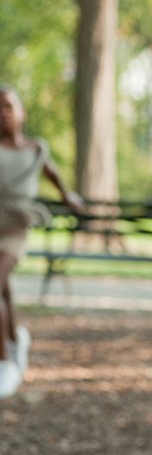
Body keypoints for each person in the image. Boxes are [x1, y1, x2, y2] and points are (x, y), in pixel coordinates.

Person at [0, 85, 82, 398]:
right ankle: (14, 343)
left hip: (16, 227)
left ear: (22, 113)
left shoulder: (35, 150)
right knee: (3, 290)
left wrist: (68, 197)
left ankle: (5, 363)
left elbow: (53, 174)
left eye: (8, 107)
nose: (3, 114)